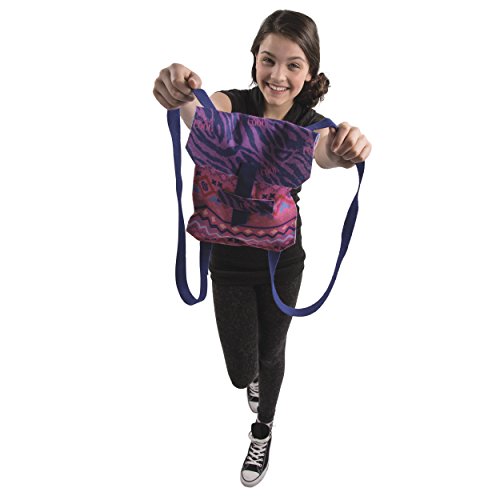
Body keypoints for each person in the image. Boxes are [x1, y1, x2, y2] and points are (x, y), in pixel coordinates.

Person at [153, 9, 372, 487]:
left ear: (309, 72)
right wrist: (180, 92)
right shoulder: (232, 104)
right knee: (241, 371)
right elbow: (200, 116)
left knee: (272, 355)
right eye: (268, 59)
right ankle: (252, 379)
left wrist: (345, 150)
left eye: (293, 65)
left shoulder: (312, 123)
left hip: (282, 260)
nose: (277, 75)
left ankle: (263, 428)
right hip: (228, 258)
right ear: (254, 58)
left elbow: (325, 151)